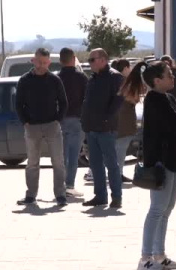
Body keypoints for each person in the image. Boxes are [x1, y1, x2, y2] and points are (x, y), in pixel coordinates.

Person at [124, 61, 176, 270]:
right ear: (157, 81)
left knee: (167, 209)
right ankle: (145, 258)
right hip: (160, 163)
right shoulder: (155, 100)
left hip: (173, 160)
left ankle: (160, 254)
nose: (173, 77)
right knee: (157, 210)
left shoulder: (167, 97)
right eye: (169, 75)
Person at [15, 48, 69, 206]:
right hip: (32, 127)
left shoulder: (55, 80)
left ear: (49, 63)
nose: (42, 65)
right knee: (32, 162)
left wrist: (58, 120)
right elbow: (19, 104)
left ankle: (60, 194)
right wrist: (25, 121)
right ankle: (31, 195)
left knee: (58, 162)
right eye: (39, 62)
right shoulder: (24, 80)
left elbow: (64, 103)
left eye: (45, 63)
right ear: (34, 60)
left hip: (52, 125)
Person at [81, 48, 124, 208]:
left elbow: (118, 101)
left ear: (103, 60)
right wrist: (85, 122)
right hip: (91, 129)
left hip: (106, 129)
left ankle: (117, 197)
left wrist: (106, 119)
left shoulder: (115, 77)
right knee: (95, 164)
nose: (90, 63)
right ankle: (100, 196)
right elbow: (87, 102)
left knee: (111, 164)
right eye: (90, 59)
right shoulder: (93, 79)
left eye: (92, 59)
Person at [58, 47, 88, 197]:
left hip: (60, 121)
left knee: (61, 155)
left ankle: (60, 186)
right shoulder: (81, 78)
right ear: (74, 58)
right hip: (77, 119)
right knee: (73, 154)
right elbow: (88, 98)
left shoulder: (56, 78)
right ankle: (69, 185)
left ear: (60, 60)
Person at [111, 59, 136, 183]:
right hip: (123, 122)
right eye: (129, 67)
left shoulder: (112, 80)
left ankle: (117, 173)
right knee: (120, 150)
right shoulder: (124, 82)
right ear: (125, 68)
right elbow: (133, 99)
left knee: (117, 150)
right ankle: (118, 174)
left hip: (115, 122)